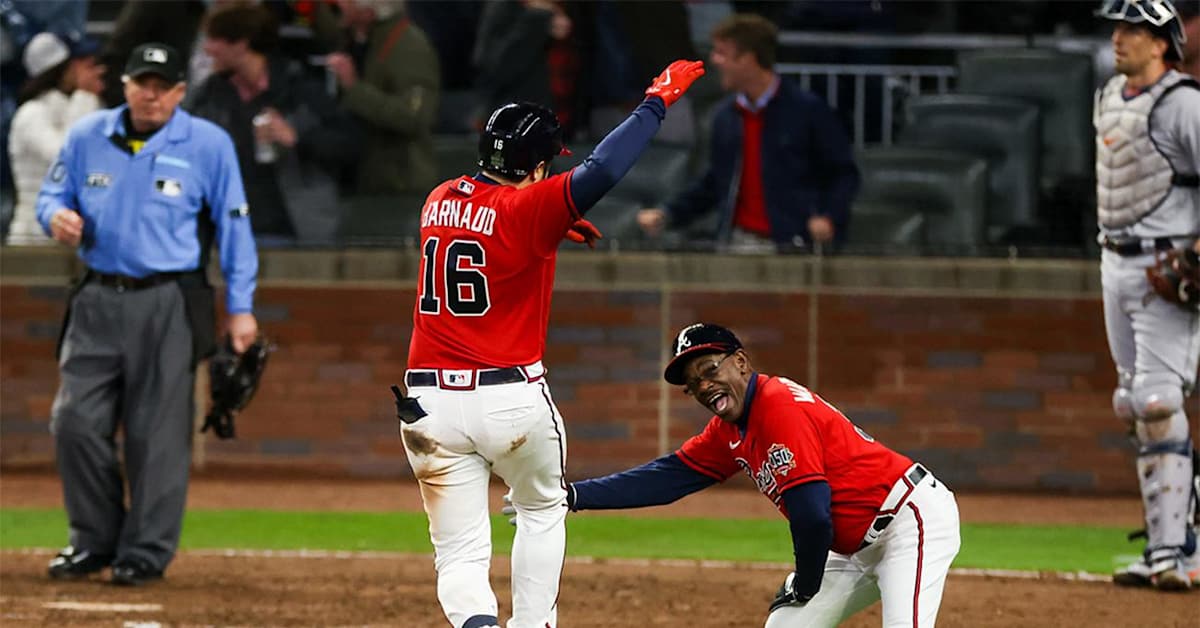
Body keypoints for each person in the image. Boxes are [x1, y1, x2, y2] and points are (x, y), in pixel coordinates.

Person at [396, 60, 706, 628]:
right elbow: (602, 168)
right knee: (542, 508)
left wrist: (553, 222)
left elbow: (484, 223)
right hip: (509, 400)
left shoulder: (437, 198)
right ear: (537, 166)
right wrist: (655, 102)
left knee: (459, 552)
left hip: (427, 406)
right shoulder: (529, 208)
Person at [507, 323, 961, 627]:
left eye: (710, 370)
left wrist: (806, 581)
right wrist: (569, 496)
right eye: (693, 384)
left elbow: (811, 513)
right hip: (852, 546)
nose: (704, 386)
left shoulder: (777, 405)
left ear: (741, 362)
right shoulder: (729, 430)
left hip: (908, 522)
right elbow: (667, 477)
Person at [36, 42, 259, 585]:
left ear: (180, 91)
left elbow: (235, 229)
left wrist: (241, 308)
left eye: (163, 86)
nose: (152, 95)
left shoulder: (208, 144)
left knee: (156, 436)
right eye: (143, 83)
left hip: (168, 299)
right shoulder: (87, 135)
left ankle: (145, 552)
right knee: (73, 421)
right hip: (95, 297)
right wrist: (55, 217)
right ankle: (93, 540)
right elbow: (49, 196)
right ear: (126, 86)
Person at [1093, 0, 1200, 591]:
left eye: (1133, 29)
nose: (1119, 37)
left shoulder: (1184, 102)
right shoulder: (1110, 94)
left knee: (1158, 401)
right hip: (1115, 259)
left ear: (1162, 42)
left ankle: (1174, 551)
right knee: (1133, 402)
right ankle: (1175, 540)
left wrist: (1197, 255)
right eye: (1117, 27)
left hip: (1168, 262)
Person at [636, 13, 859, 252]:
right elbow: (715, 183)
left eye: (722, 53)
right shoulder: (726, 117)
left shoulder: (807, 111)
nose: (714, 60)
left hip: (792, 245)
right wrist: (668, 214)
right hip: (736, 243)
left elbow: (844, 174)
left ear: (748, 59)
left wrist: (828, 216)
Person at [187, 1, 362, 242]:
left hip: (292, 229)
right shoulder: (210, 95)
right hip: (228, 229)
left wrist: (295, 138)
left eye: (215, 40)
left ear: (241, 44)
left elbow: (349, 145)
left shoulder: (299, 90)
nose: (207, 49)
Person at [314, 0, 440, 195]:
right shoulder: (356, 36)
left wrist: (354, 89)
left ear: (368, 12)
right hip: (360, 176)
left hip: (399, 185)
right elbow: (325, 24)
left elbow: (414, 117)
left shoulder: (409, 45)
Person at [6, 31, 103, 245]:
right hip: (33, 238)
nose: (91, 68)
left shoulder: (79, 105)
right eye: (80, 63)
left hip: (74, 232)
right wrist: (85, 96)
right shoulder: (31, 113)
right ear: (60, 69)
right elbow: (65, 156)